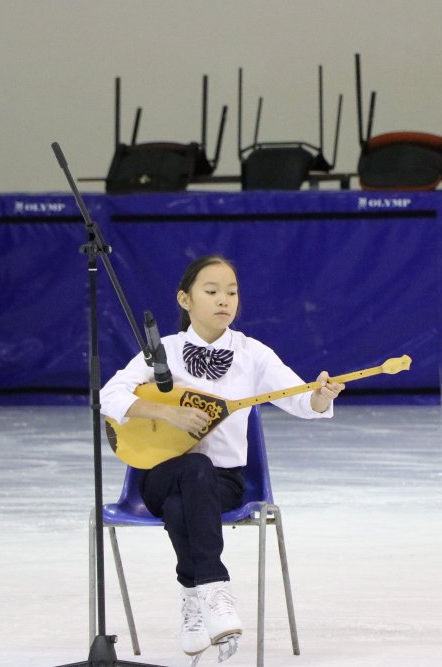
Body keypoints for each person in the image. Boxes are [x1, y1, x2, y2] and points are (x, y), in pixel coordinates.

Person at [100, 254, 344, 660]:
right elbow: (109, 395)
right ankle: (215, 588)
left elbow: (300, 400)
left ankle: (195, 600)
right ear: (185, 299)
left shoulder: (252, 354)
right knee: (190, 470)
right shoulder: (164, 351)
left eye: (231, 292)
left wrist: (319, 396)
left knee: (184, 500)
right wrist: (166, 412)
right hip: (158, 478)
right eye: (211, 291)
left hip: (224, 483)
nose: (223, 300)